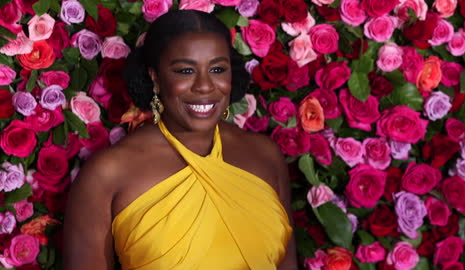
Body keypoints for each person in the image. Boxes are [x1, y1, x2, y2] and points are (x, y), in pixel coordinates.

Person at [63, 10, 297, 270]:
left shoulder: (265, 155)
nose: (205, 86)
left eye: (218, 69)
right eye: (186, 71)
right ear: (155, 77)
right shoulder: (108, 173)